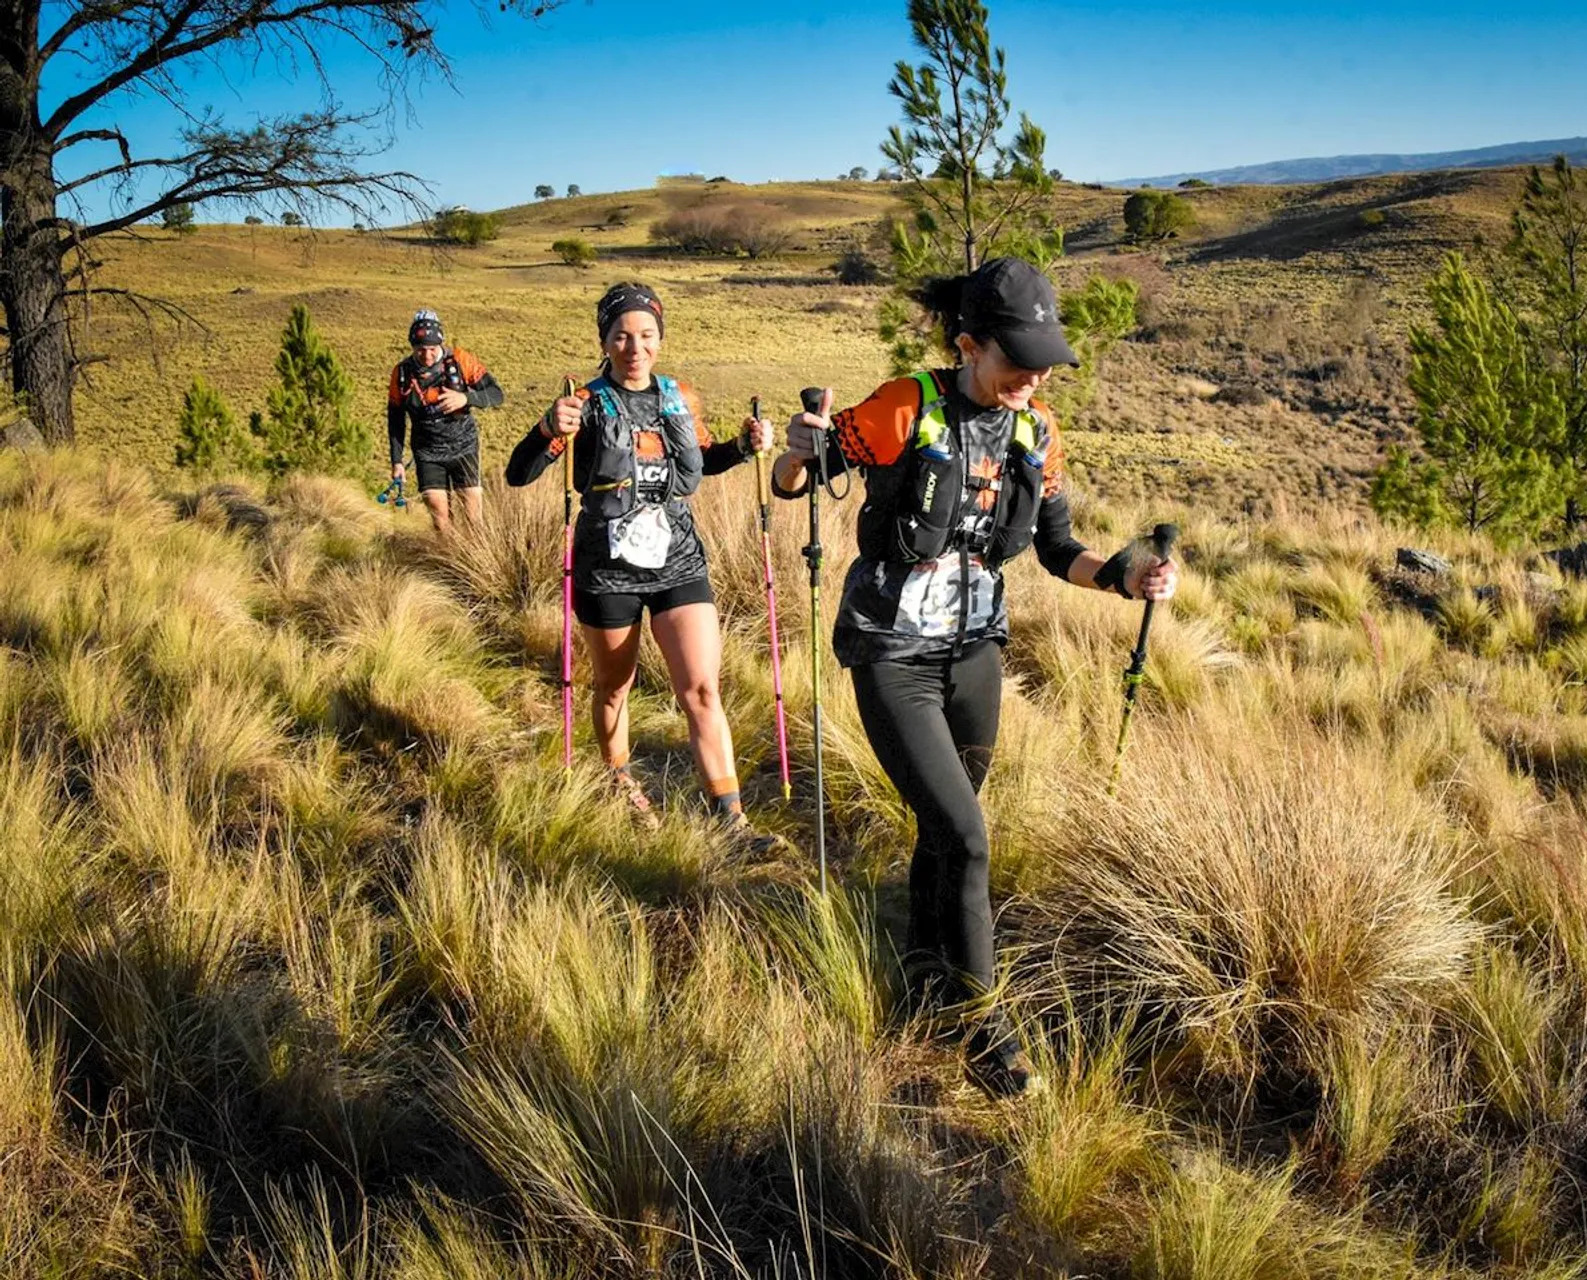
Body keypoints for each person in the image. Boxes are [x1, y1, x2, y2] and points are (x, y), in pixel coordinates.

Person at [769, 257, 1178, 1097]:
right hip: (891, 653)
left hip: (976, 656)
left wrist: (1128, 575)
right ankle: (982, 1025)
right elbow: (797, 476)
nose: (1033, 376)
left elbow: (1062, 550)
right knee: (968, 836)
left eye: (1044, 360)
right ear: (968, 344)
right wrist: (796, 451)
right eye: (1017, 358)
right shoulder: (901, 406)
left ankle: (922, 969)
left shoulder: (1038, 433)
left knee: (944, 830)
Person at [505, 282, 776, 844]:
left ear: (660, 338)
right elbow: (519, 473)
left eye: (647, 335)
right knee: (614, 686)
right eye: (623, 335)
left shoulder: (677, 397)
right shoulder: (581, 403)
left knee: (702, 689)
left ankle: (732, 818)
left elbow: (703, 460)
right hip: (606, 566)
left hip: (678, 558)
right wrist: (546, 428)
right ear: (604, 340)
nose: (635, 347)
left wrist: (744, 447)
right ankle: (619, 777)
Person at [388, 309, 504, 534]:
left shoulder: (460, 360)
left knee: (473, 518)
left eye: (432, 349)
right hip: (427, 452)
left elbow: (497, 394)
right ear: (412, 347)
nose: (427, 355)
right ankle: (448, 563)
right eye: (421, 350)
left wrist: (466, 398)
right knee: (440, 519)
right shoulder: (402, 373)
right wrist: (397, 461)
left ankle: (477, 564)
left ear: (441, 343)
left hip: (464, 447)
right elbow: (395, 419)